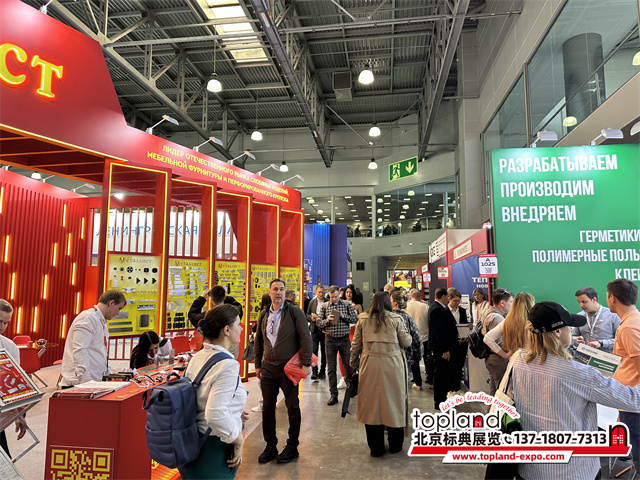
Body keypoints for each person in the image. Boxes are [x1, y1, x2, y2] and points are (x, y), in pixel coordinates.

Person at [509, 300, 640, 480]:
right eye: (568, 326)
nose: (571, 329)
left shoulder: (518, 360)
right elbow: (634, 400)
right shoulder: (577, 373)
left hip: (530, 466)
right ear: (556, 332)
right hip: (572, 470)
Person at [178, 304, 247, 479]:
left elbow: (201, 397)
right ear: (226, 330)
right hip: (213, 449)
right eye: (238, 324)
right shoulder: (227, 365)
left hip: (191, 445)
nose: (241, 329)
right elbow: (215, 414)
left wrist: (235, 410)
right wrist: (238, 440)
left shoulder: (198, 357)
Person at [254, 279, 312, 464]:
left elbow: (306, 337)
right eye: (275, 289)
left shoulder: (294, 312)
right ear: (269, 292)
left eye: (281, 289)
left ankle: (292, 446)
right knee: (267, 408)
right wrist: (257, 364)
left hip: (288, 368)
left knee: (292, 406)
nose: (278, 292)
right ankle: (270, 445)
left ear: (285, 293)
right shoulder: (264, 314)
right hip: (268, 367)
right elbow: (258, 340)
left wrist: (307, 362)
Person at [350, 292, 411, 457]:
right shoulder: (396, 319)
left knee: (371, 405)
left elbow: (355, 345)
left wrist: (353, 362)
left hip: (369, 364)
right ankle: (395, 446)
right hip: (393, 365)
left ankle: (376, 448)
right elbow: (406, 342)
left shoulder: (363, 319)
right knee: (394, 403)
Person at [60, 290, 126, 387]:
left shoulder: (101, 322)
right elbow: (80, 351)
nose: (118, 313)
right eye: (119, 308)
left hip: (94, 382)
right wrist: (86, 382)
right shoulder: (87, 318)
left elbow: (100, 352)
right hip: (80, 384)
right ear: (111, 303)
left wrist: (108, 374)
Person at [609, 278, 640, 473]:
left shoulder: (629, 327)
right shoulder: (632, 321)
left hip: (634, 402)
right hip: (629, 400)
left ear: (612, 298)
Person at [316, 285, 358, 406]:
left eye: (335, 296)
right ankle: (333, 395)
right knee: (331, 368)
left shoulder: (346, 305)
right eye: (331, 297)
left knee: (349, 366)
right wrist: (327, 320)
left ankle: (351, 390)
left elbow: (354, 319)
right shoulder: (325, 306)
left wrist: (344, 317)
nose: (333, 299)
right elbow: (319, 323)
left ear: (339, 294)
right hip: (330, 340)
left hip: (344, 340)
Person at [0, 299, 27, 458]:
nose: (2, 327)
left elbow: (16, 384)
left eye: (6, 323)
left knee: (4, 462)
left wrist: (20, 414)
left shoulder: (9, 347)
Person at [188, 285, 244, 358]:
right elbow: (238, 306)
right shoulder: (233, 313)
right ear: (224, 297)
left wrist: (202, 298)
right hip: (231, 350)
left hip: (212, 351)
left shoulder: (208, 316)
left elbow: (192, 315)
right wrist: (223, 296)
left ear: (211, 300)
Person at [427, 287, 458, 409]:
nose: (448, 299)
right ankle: (439, 401)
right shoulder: (437, 309)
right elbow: (439, 332)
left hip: (442, 347)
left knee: (443, 374)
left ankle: (442, 399)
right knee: (440, 375)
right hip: (441, 349)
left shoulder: (437, 307)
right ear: (444, 296)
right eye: (447, 297)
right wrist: (444, 350)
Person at [482, 288, 513, 395]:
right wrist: (506, 354)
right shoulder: (497, 318)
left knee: (494, 391)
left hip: (492, 358)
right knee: (501, 392)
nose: (512, 305)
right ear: (502, 303)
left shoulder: (488, 313)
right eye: (510, 301)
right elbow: (497, 342)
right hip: (498, 359)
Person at [485, 291, 535, 358]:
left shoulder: (507, 322)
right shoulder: (534, 322)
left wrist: (505, 355)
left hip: (514, 360)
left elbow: (487, 338)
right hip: (531, 359)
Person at [390, 290, 423, 390]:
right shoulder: (407, 317)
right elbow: (416, 338)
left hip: (389, 355)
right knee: (402, 385)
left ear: (395, 302)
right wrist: (417, 356)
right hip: (405, 356)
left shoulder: (386, 317)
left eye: (390, 300)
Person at [573, 286, 620, 353]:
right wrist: (575, 340)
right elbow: (573, 335)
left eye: (584, 302)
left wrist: (601, 343)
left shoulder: (613, 315)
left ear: (594, 299)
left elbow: (620, 340)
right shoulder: (579, 316)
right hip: (584, 356)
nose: (581, 305)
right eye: (579, 302)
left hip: (606, 356)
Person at [405, 289, 432, 388]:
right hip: (425, 336)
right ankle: (431, 380)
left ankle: (418, 383)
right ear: (420, 297)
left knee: (414, 360)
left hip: (411, 338)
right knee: (428, 359)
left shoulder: (406, 306)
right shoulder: (425, 306)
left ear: (410, 296)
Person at [447, 288, 469, 393]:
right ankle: (450, 388)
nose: (457, 303)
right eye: (455, 301)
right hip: (451, 343)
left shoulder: (462, 311)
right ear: (449, 299)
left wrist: (469, 325)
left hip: (462, 343)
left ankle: (457, 388)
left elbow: (465, 324)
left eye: (458, 301)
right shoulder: (445, 311)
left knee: (459, 365)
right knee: (451, 366)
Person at [305, 285, 326, 381]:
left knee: (324, 351)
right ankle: (314, 371)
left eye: (322, 292)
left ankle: (322, 371)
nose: (321, 294)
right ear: (316, 292)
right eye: (319, 292)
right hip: (314, 329)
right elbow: (307, 314)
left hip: (325, 329)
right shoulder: (312, 302)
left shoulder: (327, 302)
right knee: (314, 350)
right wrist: (311, 318)